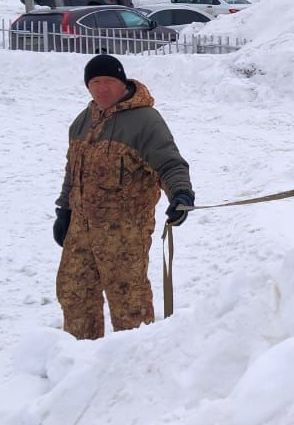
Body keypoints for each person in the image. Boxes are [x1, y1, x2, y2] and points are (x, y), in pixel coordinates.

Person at [52, 54, 195, 339]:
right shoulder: (83, 121)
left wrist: (180, 193)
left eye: (108, 82)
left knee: (129, 303)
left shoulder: (145, 121)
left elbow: (168, 162)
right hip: (81, 229)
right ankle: (80, 359)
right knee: (74, 292)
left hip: (124, 232)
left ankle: (134, 364)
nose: (101, 89)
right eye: (95, 82)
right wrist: (64, 210)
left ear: (122, 83)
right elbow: (73, 170)